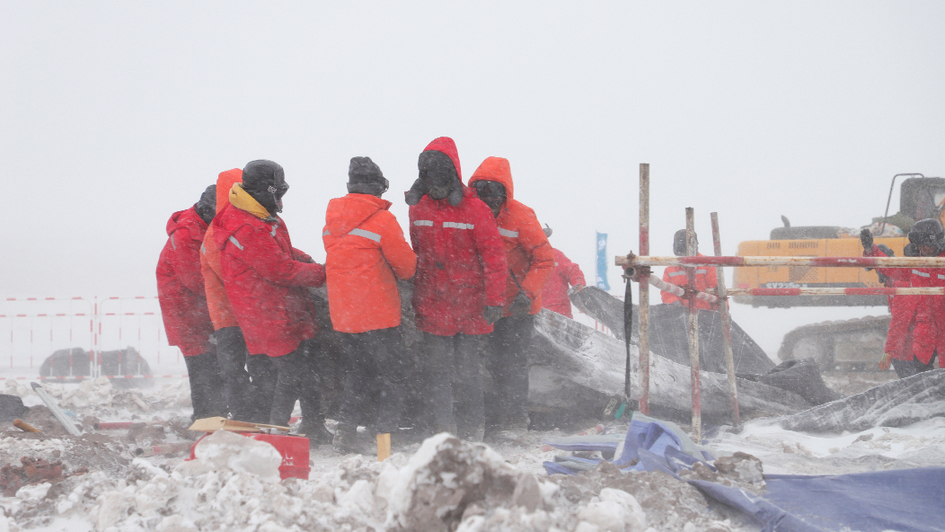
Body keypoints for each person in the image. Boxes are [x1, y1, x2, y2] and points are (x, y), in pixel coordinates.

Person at [212, 160, 332, 442]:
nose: (280, 198)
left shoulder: (261, 217)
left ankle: (309, 426)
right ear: (265, 190)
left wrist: (307, 260)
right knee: (290, 375)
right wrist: (324, 273)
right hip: (268, 313)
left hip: (278, 311)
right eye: (279, 191)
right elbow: (279, 269)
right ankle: (275, 433)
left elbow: (284, 252)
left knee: (301, 369)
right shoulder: (247, 227)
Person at [406, 137, 508, 441]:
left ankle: (473, 429)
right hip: (434, 303)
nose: (434, 185)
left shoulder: (475, 210)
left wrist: (494, 300)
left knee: (467, 373)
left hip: (468, 306)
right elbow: (416, 250)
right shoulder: (417, 208)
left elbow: (495, 258)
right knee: (438, 373)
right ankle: (444, 430)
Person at [322, 157, 417, 454]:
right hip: (378, 313)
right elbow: (406, 267)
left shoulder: (331, 222)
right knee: (394, 373)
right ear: (378, 187)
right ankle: (384, 435)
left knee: (359, 373)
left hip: (344, 315)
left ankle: (347, 431)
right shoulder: (383, 220)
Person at [468, 156, 554, 438]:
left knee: (513, 363)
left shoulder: (521, 217)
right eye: (482, 192)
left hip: (519, 307)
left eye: (493, 193)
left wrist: (527, 294)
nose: (488, 200)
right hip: (487, 305)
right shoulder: (470, 213)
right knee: (490, 363)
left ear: (505, 192)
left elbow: (544, 258)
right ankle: (496, 418)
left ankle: (515, 420)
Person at [201, 168, 273, 422]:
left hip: (233, 313)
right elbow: (234, 273)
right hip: (233, 314)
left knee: (246, 368)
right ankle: (247, 416)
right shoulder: (219, 232)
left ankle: (251, 415)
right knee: (243, 368)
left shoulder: (226, 228)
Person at [156, 184, 227, 421]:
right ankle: (206, 419)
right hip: (187, 316)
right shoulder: (186, 234)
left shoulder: (201, 228)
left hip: (203, 312)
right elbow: (196, 280)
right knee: (203, 368)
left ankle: (215, 416)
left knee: (214, 367)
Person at [860, 228, 922, 378]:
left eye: (876, 269)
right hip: (911, 344)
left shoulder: (899, 284)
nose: (877, 273)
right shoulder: (895, 282)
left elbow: (900, 322)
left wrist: (889, 351)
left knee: (911, 380)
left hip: (910, 347)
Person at [661, 229, 718, 311]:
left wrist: (722, 309)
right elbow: (667, 293)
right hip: (680, 316)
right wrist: (674, 303)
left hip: (707, 316)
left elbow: (717, 290)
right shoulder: (669, 270)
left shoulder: (707, 265)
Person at [540, 224, 587, 319]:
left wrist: (579, 284)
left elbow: (573, 271)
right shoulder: (523, 259)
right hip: (535, 315)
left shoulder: (555, 256)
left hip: (559, 315)